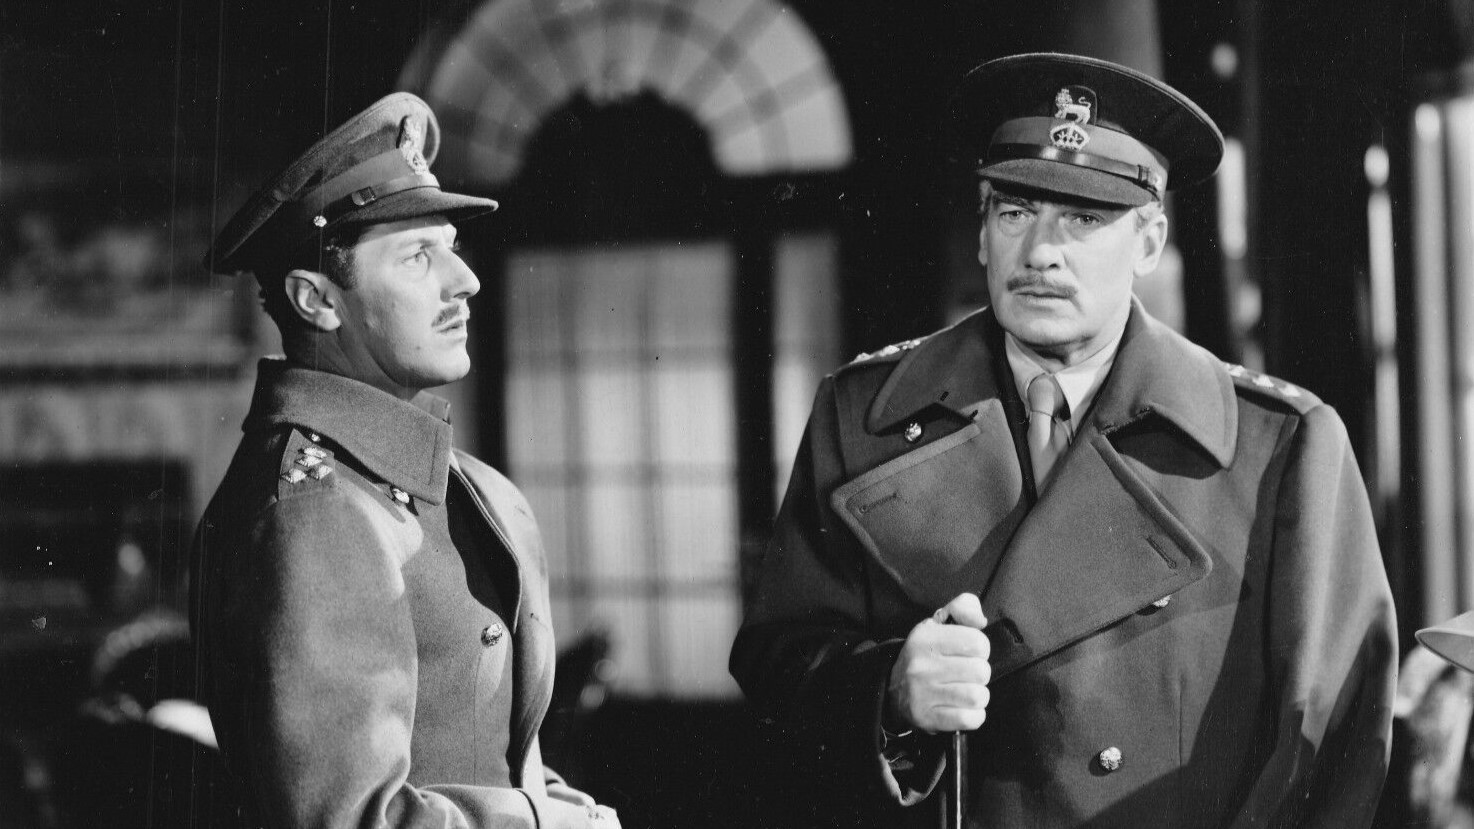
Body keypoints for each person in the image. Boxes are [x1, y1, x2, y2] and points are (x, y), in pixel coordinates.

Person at [730, 53, 1397, 827]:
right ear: (983, 233)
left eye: (1083, 218)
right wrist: (890, 690)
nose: (1041, 251)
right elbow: (776, 665)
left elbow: (1332, 741)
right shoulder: (865, 416)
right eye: (1015, 212)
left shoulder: (1278, 446)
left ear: (1149, 242)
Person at [193, 92, 619, 828]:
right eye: (419, 256)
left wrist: (568, 809)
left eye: (450, 246)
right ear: (316, 300)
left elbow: (486, 751)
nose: (465, 280)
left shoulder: (451, 482)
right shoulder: (316, 513)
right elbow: (355, 818)